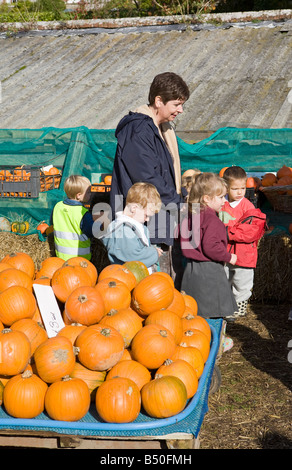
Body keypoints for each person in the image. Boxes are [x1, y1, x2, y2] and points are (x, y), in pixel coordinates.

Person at [109, 72, 190, 284]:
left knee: (163, 281)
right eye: (176, 104)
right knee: (152, 283)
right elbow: (146, 175)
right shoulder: (139, 129)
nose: (180, 110)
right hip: (144, 217)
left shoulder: (158, 129)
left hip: (155, 215)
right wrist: (175, 201)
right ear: (158, 101)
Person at [179, 172, 238, 320]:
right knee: (212, 309)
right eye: (220, 197)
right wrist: (228, 256)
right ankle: (214, 336)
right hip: (209, 272)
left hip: (191, 269)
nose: (224, 201)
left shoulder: (191, 216)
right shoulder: (212, 220)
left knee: (193, 311)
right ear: (206, 198)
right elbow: (211, 247)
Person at [219, 166, 267, 318]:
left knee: (242, 281)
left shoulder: (248, 207)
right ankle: (226, 305)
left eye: (243, 188)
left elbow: (250, 232)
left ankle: (239, 306)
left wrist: (227, 231)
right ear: (226, 188)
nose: (240, 192)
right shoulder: (221, 204)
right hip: (225, 251)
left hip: (244, 252)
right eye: (235, 189)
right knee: (224, 278)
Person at [101, 182, 163, 272]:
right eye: (146, 215)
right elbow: (132, 256)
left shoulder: (135, 227)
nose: (147, 220)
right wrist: (154, 253)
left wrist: (151, 250)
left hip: (140, 276)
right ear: (134, 208)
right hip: (129, 277)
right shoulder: (123, 230)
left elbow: (140, 249)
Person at [52, 175, 101, 261]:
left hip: (61, 257)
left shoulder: (58, 207)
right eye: (88, 192)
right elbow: (94, 231)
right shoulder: (82, 213)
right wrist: (101, 221)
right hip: (80, 259)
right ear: (78, 195)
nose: (90, 194)